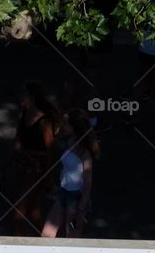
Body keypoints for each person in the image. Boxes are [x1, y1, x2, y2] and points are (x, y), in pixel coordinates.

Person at [41, 109, 99, 238]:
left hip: (76, 197)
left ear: (74, 127)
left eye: (66, 123)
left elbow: (87, 182)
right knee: (46, 235)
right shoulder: (70, 141)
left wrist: (81, 208)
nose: (63, 125)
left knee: (71, 239)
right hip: (64, 192)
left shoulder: (84, 151)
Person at [10, 82, 58, 235]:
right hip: (23, 165)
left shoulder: (44, 122)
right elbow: (18, 137)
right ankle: (45, 240)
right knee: (33, 209)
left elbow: (50, 149)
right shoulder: (24, 114)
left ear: (31, 97)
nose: (20, 97)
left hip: (37, 169)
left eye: (23, 94)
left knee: (18, 212)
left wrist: (48, 176)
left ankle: (20, 245)